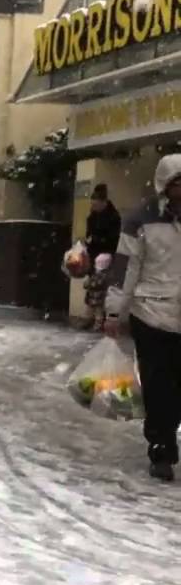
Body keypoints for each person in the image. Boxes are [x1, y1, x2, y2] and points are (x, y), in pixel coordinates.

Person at [106, 154, 181, 483]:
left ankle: (168, 429)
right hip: (150, 314)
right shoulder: (141, 220)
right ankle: (162, 448)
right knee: (158, 386)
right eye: (176, 183)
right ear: (164, 185)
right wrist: (113, 311)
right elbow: (125, 268)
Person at [86, 183, 122, 265]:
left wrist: (98, 239)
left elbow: (113, 239)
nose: (93, 207)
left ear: (103, 203)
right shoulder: (92, 216)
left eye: (95, 205)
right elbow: (88, 234)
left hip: (106, 255)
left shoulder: (113, 217)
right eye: (92, 205)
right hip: (93, 253)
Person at [84, 253, 113, 332]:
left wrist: (88, 283)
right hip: (91, 298)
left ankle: (97, 327)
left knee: (98, 314)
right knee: (89, 312)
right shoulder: (95, 274)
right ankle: (89, 323)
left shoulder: (104, 275)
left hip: (98, 299)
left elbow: (95, 284)